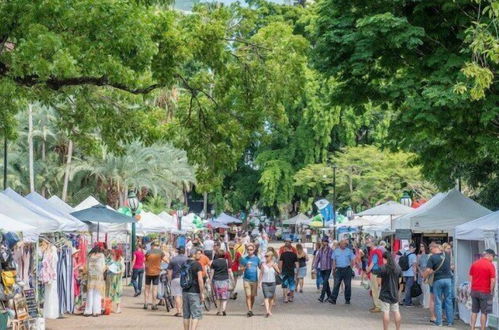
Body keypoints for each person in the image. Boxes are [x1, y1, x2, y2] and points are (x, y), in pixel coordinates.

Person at [424, 243, 453, 326]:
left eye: (431, 249)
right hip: (448, 279)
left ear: (434, 248)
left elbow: (428, 270)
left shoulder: (432, 257)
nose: (430, 251)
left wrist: (424, 276)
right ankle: (450, 322)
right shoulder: (447, 255)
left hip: (438, 280)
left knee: (438, 301)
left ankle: (439, 322)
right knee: (448, 300)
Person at [372, 251, 402, 330]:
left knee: (386, 312)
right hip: (394, 292)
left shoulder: (382, 268)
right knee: (396, 311)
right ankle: (398, 328)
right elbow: (400, 282)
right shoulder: (398, 268)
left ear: (385, 258)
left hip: (385, 292)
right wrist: (399, 292)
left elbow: (378, 282)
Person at [469, 249, 496, 330]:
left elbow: (470, 277)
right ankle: (482, 328)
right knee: (484, 312)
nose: (493, 259)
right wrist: (491, 291)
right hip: (485, 291)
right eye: (493, 257)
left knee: (474, 311)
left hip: (474, 290)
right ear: (489, 255)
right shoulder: (490, 265)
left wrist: (473, 286)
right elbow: (493, 280)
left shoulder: (475, 263)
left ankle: (472, 328)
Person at [182, 249, 205, 330]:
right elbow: (200, 279)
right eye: (198, 254)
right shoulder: (197, 264)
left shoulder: (184, 264)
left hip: (185, 291)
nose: (199, 255)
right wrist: (202, 292)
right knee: (196, 314)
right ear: (194, 255)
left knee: (186, 314)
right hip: (195, 291)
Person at [328, 239, 355, 304]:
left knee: (348, 285)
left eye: (345, 244)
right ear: (340, 244)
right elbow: (334, 261)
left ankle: (347, 299)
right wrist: (333, 269)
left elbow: (352, 260)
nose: (344, 245)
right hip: (338, 269)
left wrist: (351, 268)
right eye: (343, 244)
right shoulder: (335, 251)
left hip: (347, 269)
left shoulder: (349, 251)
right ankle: (333, 299)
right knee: (336, 284)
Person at [84, 245, 106, 317]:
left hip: (91, 276)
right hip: (98, 276)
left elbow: (86, 266)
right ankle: (96, 311)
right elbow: (103, 266)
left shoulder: (89, 256)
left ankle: (88, 311)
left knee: (89, 294)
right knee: (97, 294)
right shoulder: (101, 255)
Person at [239, 243, 260, 317]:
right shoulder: (244, 259)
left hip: (254, 280)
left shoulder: (257, 259)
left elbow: (261, 268)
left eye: (251, 250)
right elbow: (240, 269)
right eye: (248, 250)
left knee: (252, 296)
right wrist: (245, 267)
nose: (249, 251)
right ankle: (249, 310)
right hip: (246, 279)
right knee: (248, 295)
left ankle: (251, 308)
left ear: (254, 250)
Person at [210, 249, 233, 316]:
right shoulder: (226, 261)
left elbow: (212, 272)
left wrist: (210, 280)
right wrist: (232, 279)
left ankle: (218, 311)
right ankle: (223, 309)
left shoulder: (214, 262)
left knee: (217, 296)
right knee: (224, 295)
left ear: (217, 255)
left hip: (216, 280)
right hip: (225, 280)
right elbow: (229, 271)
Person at [144, 241, 165, 310]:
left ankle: (146, 303)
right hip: (156, 272)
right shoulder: (160, 252)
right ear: (157, 245)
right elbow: (165, 259)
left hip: (148, 272)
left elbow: (144, 260)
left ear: (152, 245)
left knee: (147, 288)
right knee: (155, 289)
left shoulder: (148, 252)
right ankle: (153, 304)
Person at [168, 248, 188, 317]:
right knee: (183, 295)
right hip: (185, 279)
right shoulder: (187, 259)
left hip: (175, 278)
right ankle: (183, 310)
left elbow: (169, 271)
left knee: (177, 295)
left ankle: (179, 311)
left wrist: (170, 280)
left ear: (178, 252)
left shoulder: (173, 259)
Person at [259, 251, 280, 317]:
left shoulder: (274, 264)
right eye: (265, 256)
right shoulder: (263, 264)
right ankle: (267, 311)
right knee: (266, 297)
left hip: (273, 283)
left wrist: (275, 267)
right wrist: (259, 283)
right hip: (265, 283)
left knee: (271, 298)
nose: (266, 257)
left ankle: (269, 310)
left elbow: (279, 272)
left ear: (271, 257)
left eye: (267, 256)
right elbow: (261, 273)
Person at [367, 239, 384, 313]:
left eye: (369, 242)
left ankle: (378, 306)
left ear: (373, 244)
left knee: (375, 290)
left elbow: (372, 263)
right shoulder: (378, 251)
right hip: (378, 272)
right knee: (376, 289)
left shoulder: (375, 252)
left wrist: (367, 270)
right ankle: (377, 305)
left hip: (374, 273)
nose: (368, 243)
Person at [314, 237, 333, 303]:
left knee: (324, 282)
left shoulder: (330, 250)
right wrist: (315, 268)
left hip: (328, 268)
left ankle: (321, 297)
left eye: (325, 241)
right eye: (323, 241)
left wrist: (334, 268)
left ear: (327, 242)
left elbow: (332, 260)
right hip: (322, 268)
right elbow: (317, 259)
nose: (324, 243)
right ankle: (330, 296)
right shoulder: (320, 250)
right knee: (326, 283)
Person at [106, 248, 125, 313]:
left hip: (117, 278)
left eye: (113, 252)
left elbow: (122, 268)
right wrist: (107, 267)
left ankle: (118, 308)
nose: (112, 253)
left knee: (117, 292)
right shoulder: (109, 258)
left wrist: (120, 271)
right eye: (112, 252)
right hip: (110, 278)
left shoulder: (121, 259)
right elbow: (106, 264)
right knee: (109, 292)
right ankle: (108, 307)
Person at [417, 242, 430, 308]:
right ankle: (424, 302)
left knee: (427, 288)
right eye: (420, 246)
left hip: (427, 273)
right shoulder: (419, 255)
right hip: (421, 273)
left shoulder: (429, 255)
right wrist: (420, 272)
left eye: (422, 246)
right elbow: (417, 265)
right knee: (423, 288)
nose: (421, 247)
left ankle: (427, 303)